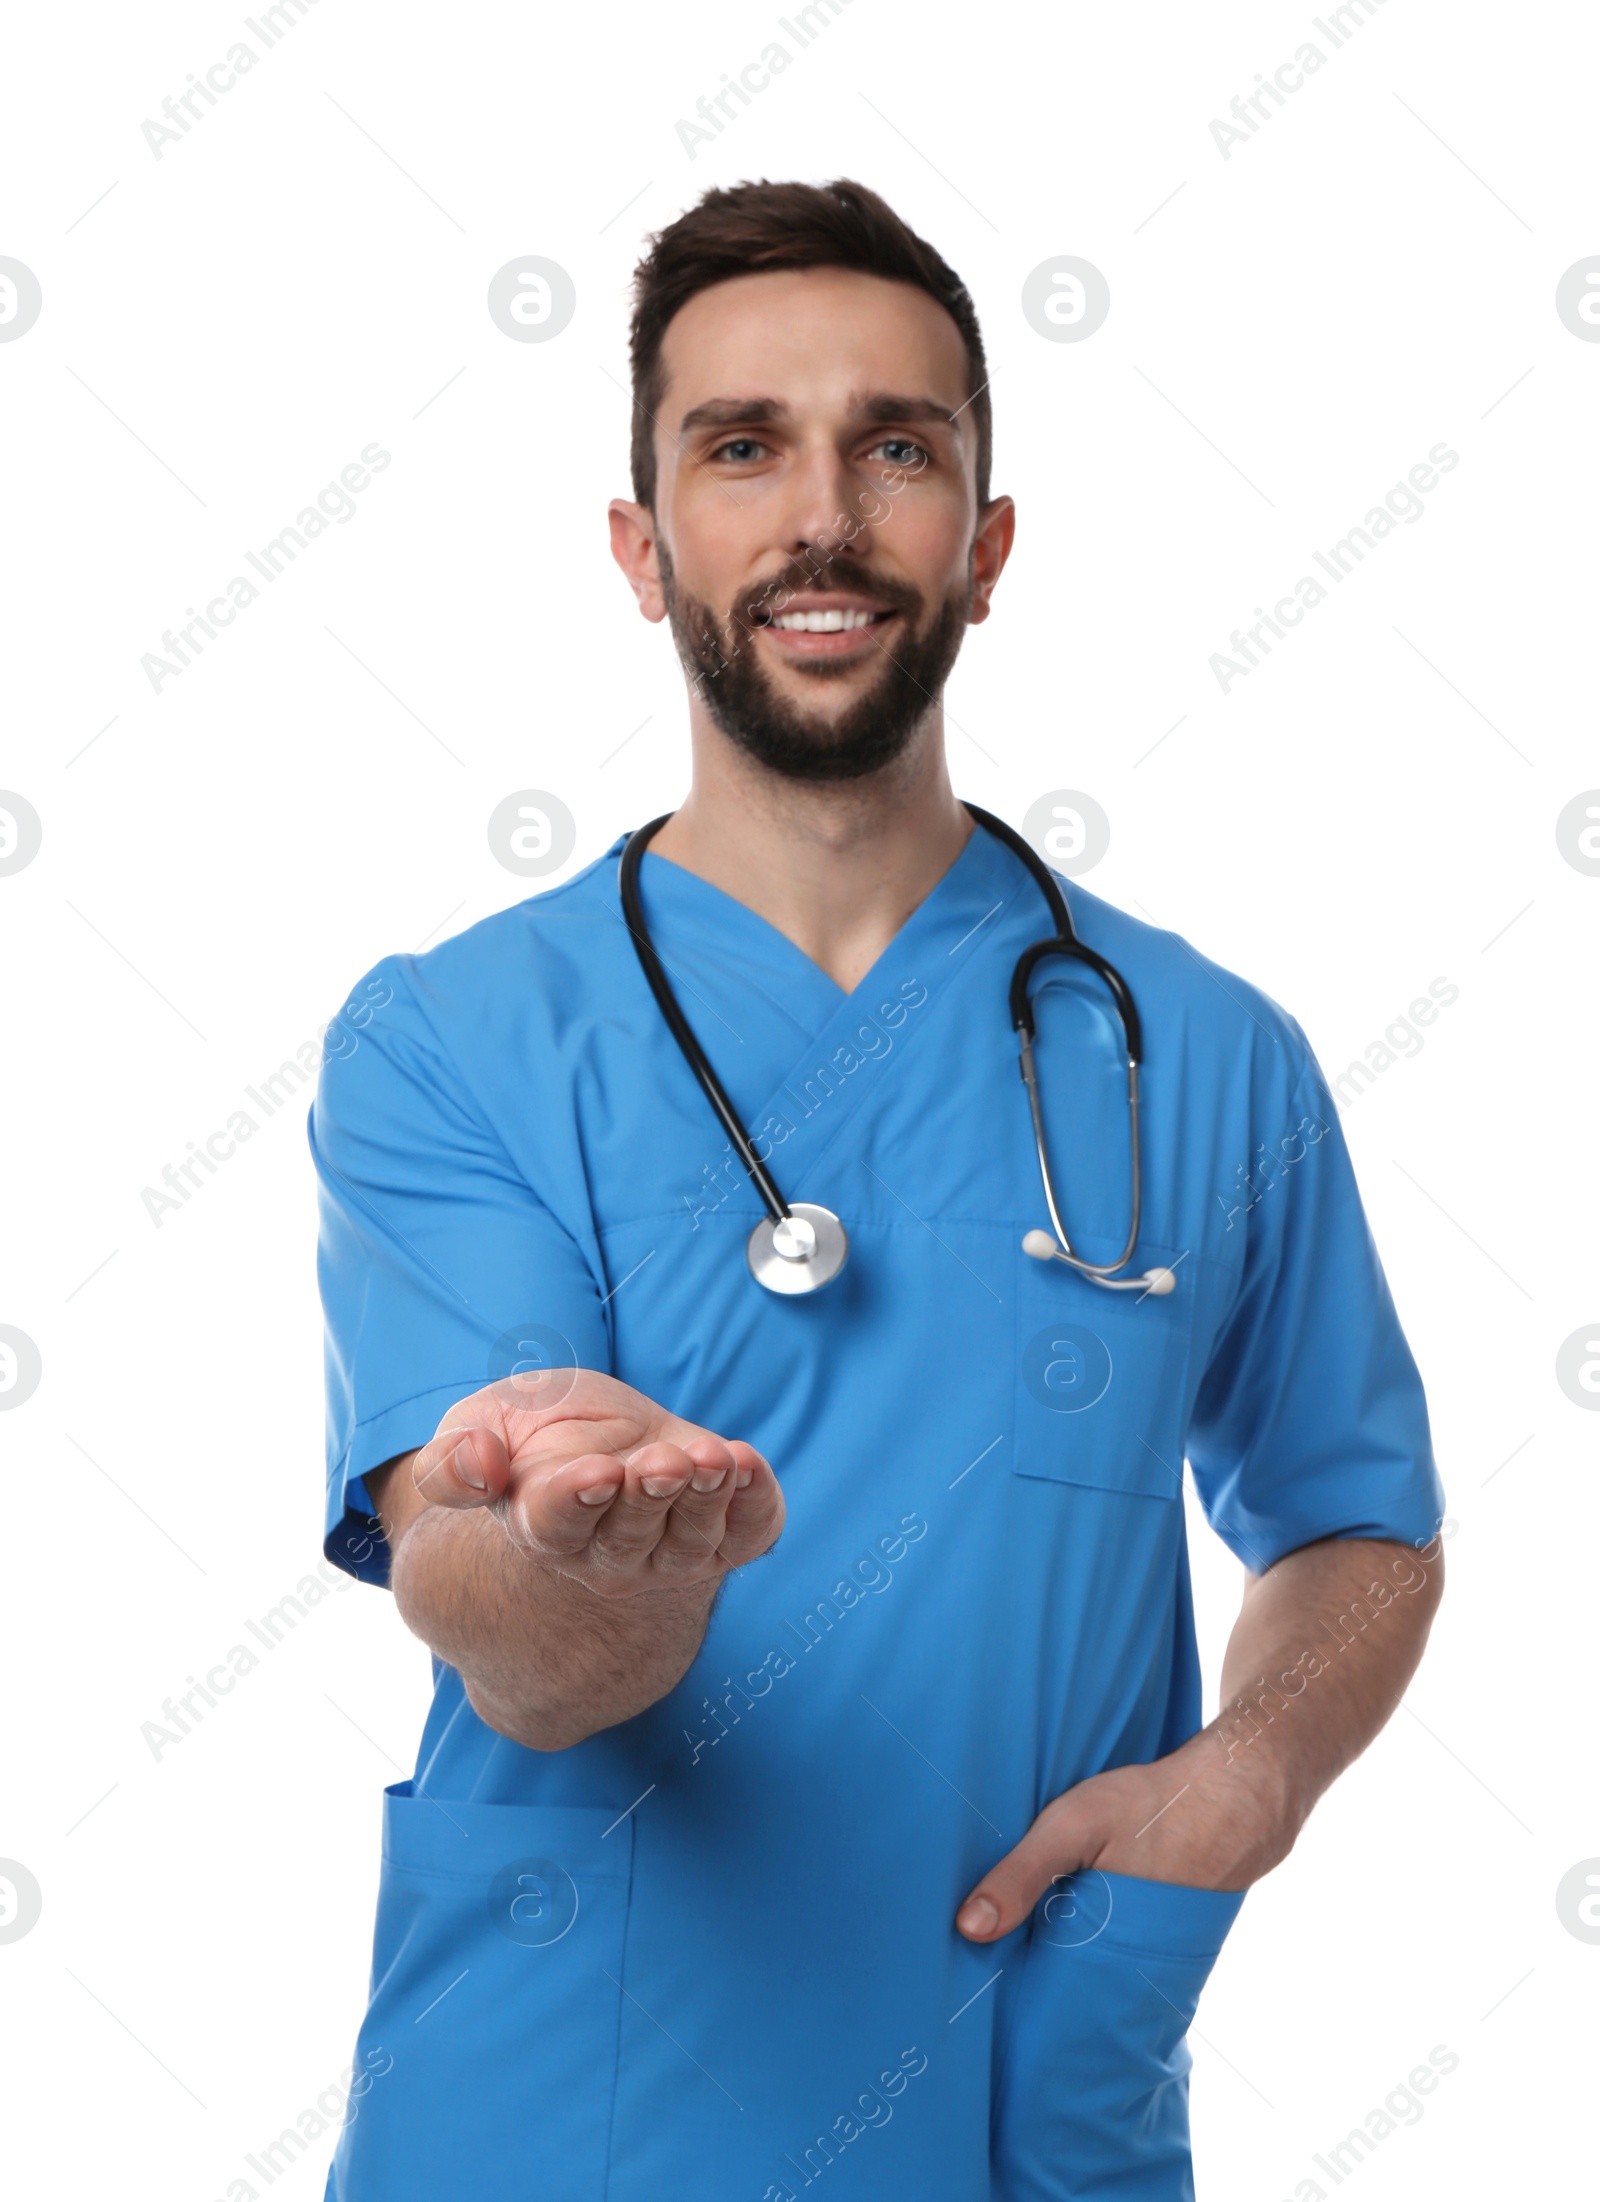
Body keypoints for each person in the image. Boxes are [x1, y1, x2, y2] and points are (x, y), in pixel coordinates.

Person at [309, 178, 1445, 2202]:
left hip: (1026, 2098)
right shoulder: (449, 1043)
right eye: (738, 448)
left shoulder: (1200, 1050)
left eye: (893, 449)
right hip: (561, 2116)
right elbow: (476, 1595)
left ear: (984, 548)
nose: (819, 517)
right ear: (640, 547)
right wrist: (592, 1572)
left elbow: (1356, 1519)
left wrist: (1250, 1769)